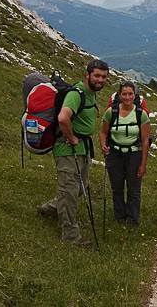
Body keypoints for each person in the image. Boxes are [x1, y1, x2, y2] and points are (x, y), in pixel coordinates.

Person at [38, 59, 109, 245]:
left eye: (103, 77)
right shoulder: (77, 93)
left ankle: (51, 208)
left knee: (80, 188)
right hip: (68, 149)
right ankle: (71, 236)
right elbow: (63, 117)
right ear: (88, 75)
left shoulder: (90, 93)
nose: (100, 80)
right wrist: (71, 138)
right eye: (97, 76)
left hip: (82, 150)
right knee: (69, 191)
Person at [98, 80, 150, 226]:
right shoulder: (111, 112)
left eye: (130, 94)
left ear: (135, 95)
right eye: (124, 94)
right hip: (114, 154)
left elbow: (145, 140)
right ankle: (120, 218)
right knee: (117, 187)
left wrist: (143, 164)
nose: (127, 97)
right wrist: (103, 145)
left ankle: (133, 220)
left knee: (134, 189)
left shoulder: (141, 114)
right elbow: (103, 133)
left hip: (134, 154)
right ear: (120, 95)